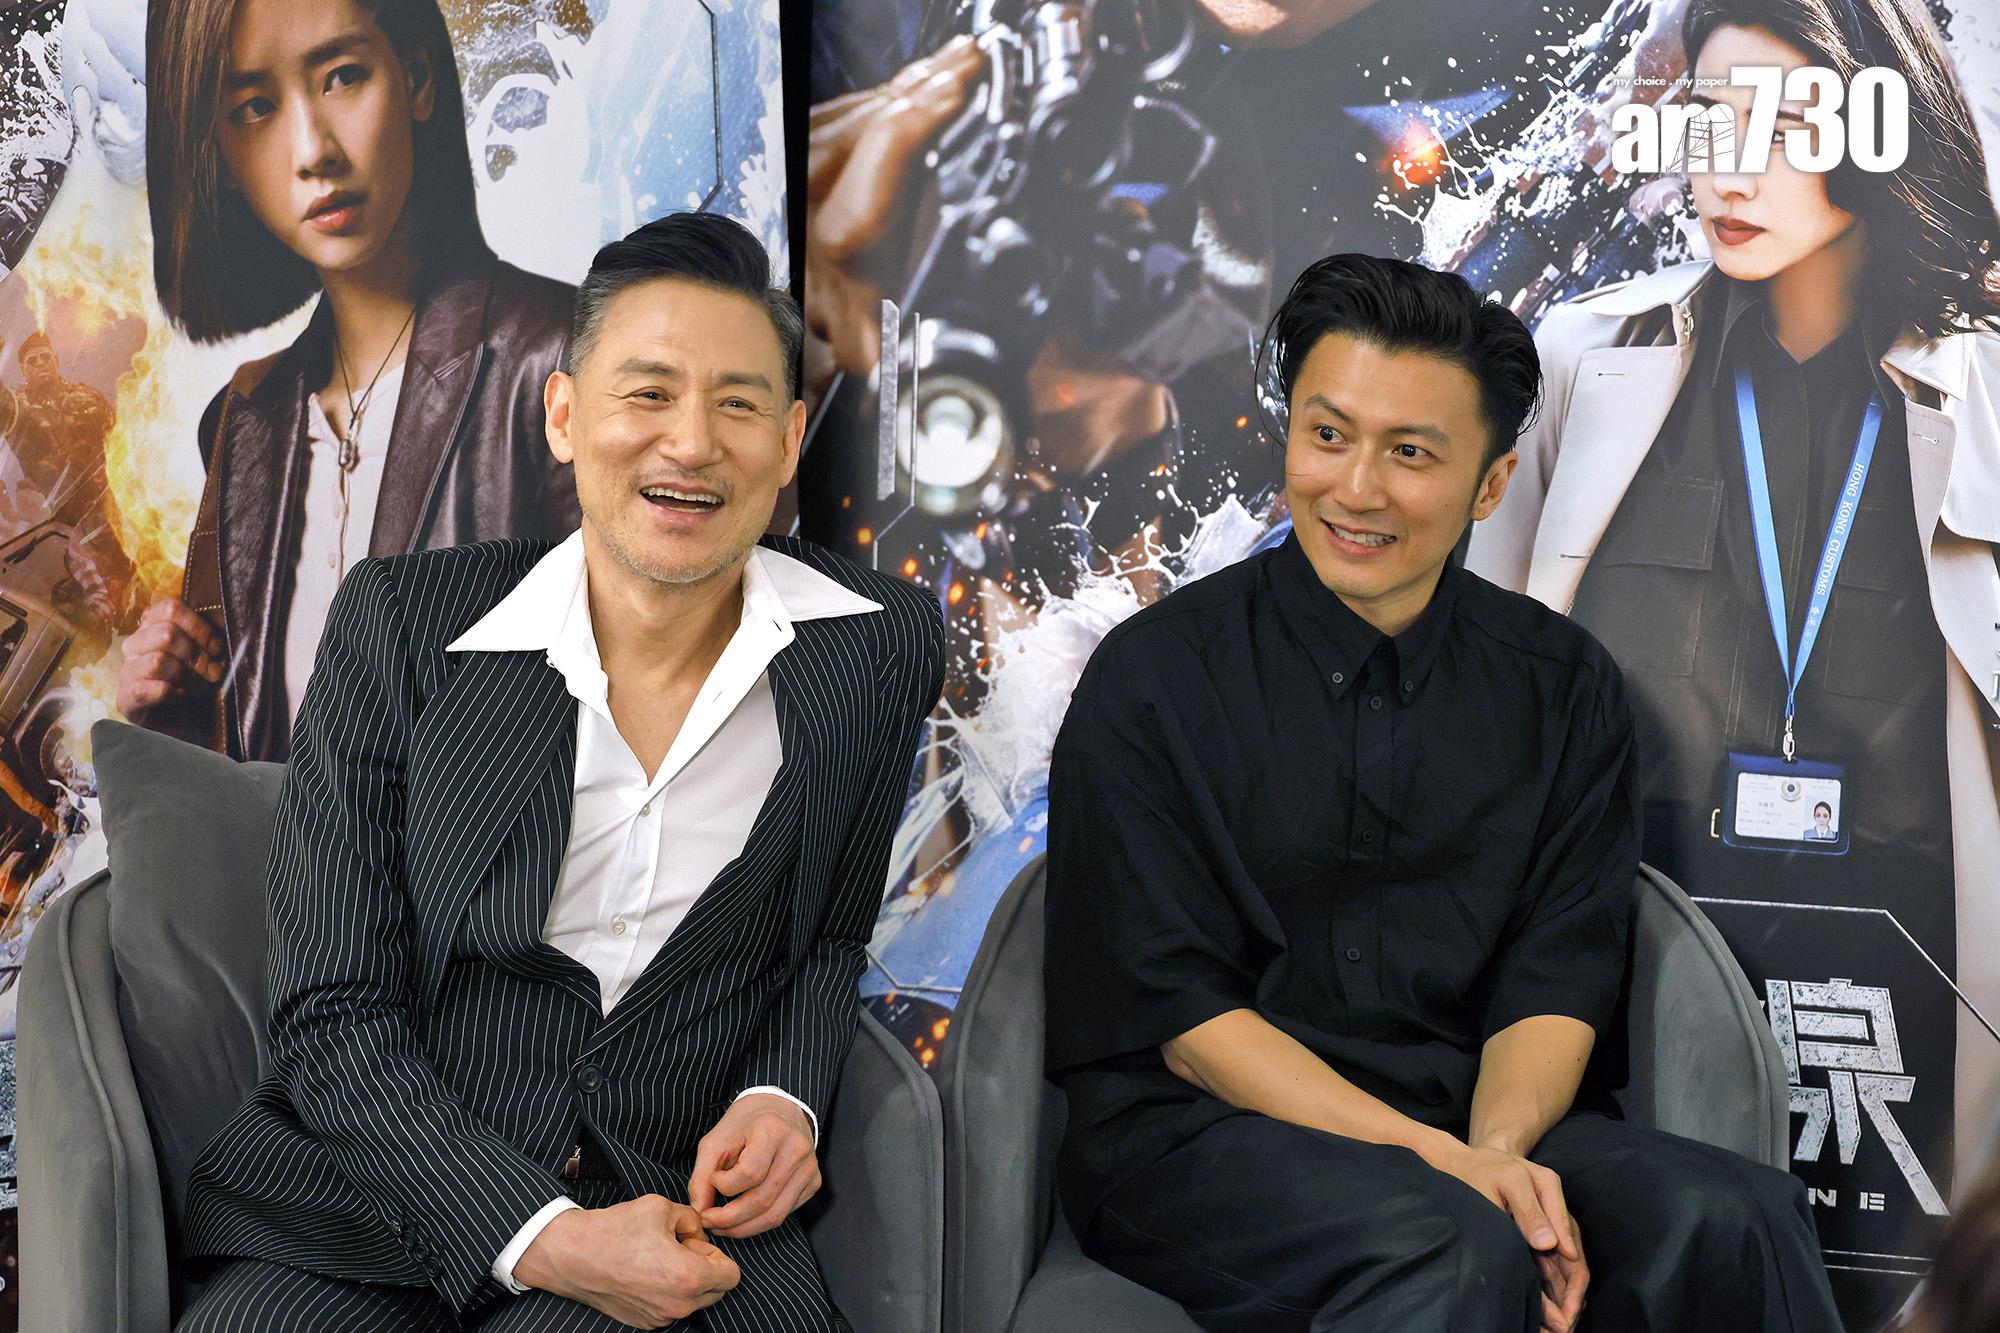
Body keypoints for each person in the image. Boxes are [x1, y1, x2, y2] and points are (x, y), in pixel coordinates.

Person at [172, 214, 945, 1331]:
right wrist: (541, 1235)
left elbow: (825, 938)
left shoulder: (876, 644)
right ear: (565, 415)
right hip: (379, 1201)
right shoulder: (399, 625)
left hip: (670, 1204)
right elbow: (332, 1008)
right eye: (648, 393)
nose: (690, 443)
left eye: (736, 404)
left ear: (787, 443)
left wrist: (783, 1096)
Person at [1044, 252, 1843, 1333]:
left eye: (1410, 453)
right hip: (1201, 1136)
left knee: (1731, 1216)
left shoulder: (1561, 686)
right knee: (1452, 1242)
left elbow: (1554, 977)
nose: (1356, 489)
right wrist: (1449, 1170)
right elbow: (1186, 1024)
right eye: (1327, 435)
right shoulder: (1154, 677)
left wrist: (1496, 1157)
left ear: (1491, 484)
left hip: (1478, 1118)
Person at [1464, 0, 2000, 1252]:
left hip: (1906, 998)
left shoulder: (1983, 394)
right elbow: (1477, 712)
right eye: (1707, 121)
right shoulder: (1582, 362)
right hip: (1628, 984)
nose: (1729, 167)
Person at [122, 0, 583, 762]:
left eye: (341, 76)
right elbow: (253, 755)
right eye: (255, 107)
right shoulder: (241, 423)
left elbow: (638, 709)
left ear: (418, 79)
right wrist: (175, 719)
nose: (313, 151)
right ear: (221, 158)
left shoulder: (566, 360)